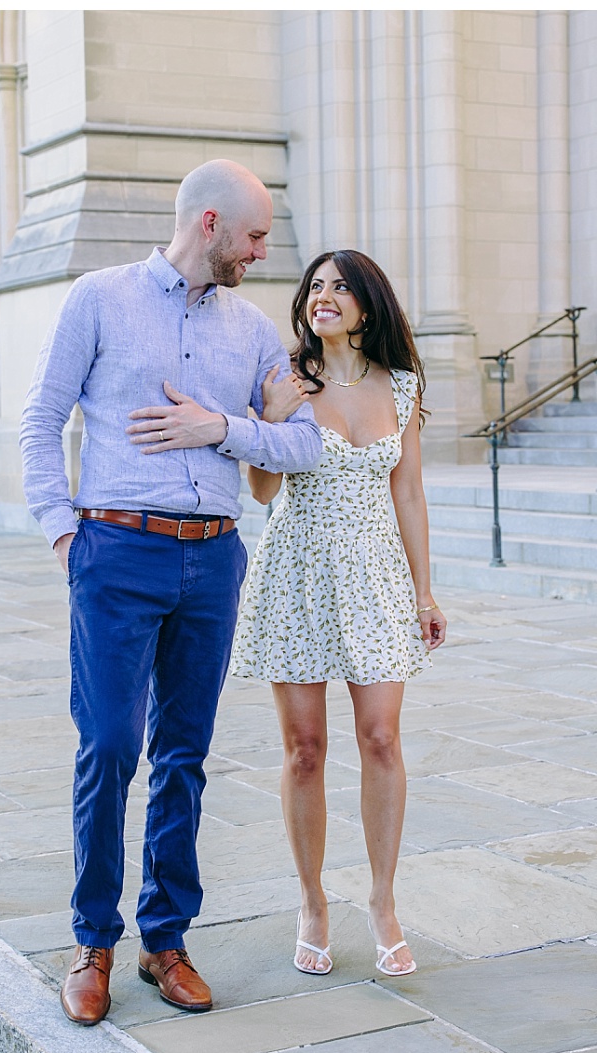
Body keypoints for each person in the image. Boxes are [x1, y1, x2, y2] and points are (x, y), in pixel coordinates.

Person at [20, 159, 324, 1026]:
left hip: (211, 560)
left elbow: (303, 446)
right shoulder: (98, 298)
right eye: (257, 236)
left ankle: (166, 941)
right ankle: (92, 941)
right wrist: (62, 530)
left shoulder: (256, 331)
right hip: (113, 550)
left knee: (184, 754)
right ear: (211, 225)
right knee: (110, 745)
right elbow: (40, 420)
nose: (264, 254)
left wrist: (220, 428)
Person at [229, 249, 448, 980]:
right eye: (316, 286)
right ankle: (312, 901)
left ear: (365, 305)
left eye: (340, 286)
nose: (325, 295)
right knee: (306, 749)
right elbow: (261, 490)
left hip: (376, 574)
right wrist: (275, 416)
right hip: (297, 569)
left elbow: (409, 492)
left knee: (381, 738)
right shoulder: (288, 379)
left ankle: (383, 902)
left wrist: (425, 591)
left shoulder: (403, 386)